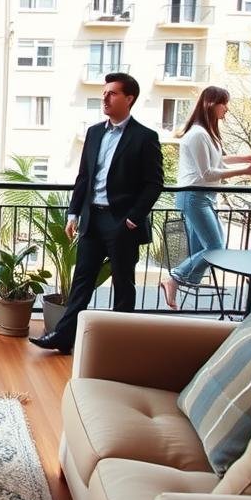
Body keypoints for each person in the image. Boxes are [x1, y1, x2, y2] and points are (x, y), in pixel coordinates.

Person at [30, 72, 163, 354]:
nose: (105, 97)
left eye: (112, 93)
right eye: (104, 93)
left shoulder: (144, 137)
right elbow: (83, 178)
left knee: (123, 285)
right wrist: (73, 214)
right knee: (82, 281)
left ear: (129, 99)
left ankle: (118, 347)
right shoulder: (94, 132)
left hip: (121, 223)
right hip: (92, 219)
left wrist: (132, 218)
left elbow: (154, 183)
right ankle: (64, 338)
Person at [159, 86, 251, 309]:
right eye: (224, 103)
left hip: (203, 196)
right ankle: (175, 278)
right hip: (194, 196)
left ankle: (180, 280)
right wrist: (244, 171)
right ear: (211, 104)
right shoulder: (198, 134)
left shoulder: (206, 133)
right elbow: (206, 172)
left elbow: (217, 162)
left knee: (210, 247)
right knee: (216, 247)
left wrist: (242, 160)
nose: (226, 109)